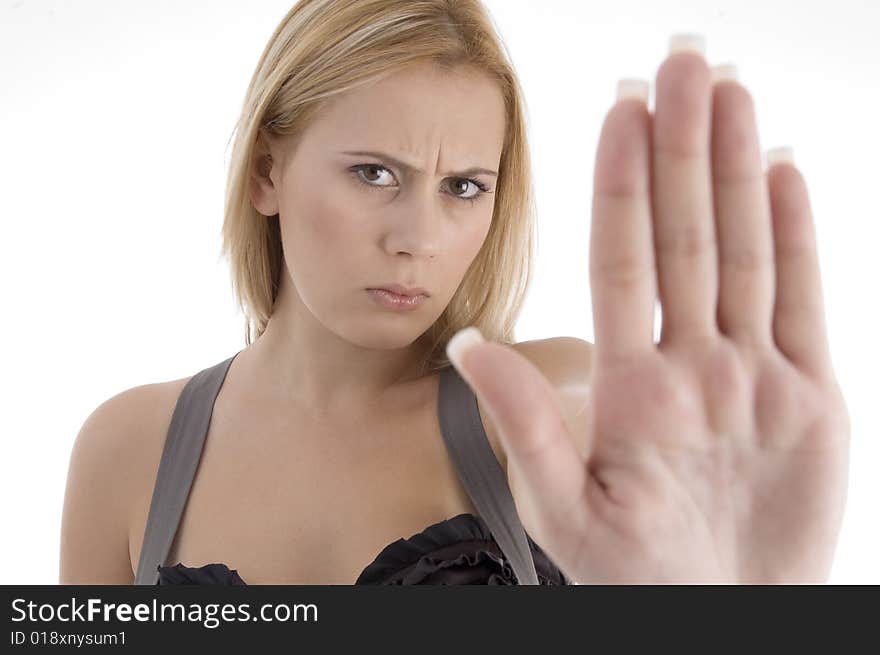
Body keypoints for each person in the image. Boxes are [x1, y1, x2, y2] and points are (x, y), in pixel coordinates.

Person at [60, 0, 850, 586]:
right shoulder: (128, 449)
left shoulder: (544, 409)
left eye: (464, 186)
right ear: (268, 171)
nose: (421, 237)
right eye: (375, 173)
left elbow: (626, 452)